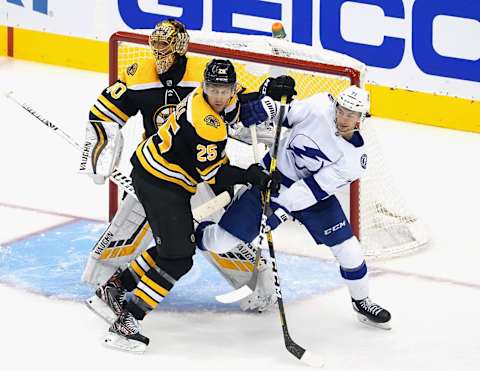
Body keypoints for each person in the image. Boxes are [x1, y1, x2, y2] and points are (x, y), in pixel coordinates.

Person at [80, 19, 279, 314]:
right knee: (137, 227)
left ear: (181, 47)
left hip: (195, 169)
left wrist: (265, 100)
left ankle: (255, 285)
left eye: (166, 45)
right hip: (161, 168)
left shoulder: (205, 77)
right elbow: (104, 113)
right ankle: (106, 280)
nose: (159, 53)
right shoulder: (140, 75)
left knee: (215, 234)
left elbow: (241, 104)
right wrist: (99, 155)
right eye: (155, 45)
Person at [196, 79, 392, 330]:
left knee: (350, 249)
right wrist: (264, 107)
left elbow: (311, 190)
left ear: (361, 118)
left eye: (351, 114)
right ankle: (191, 233)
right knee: (220, 242)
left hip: (310, 197)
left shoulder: (354, 159)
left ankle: (362, 302)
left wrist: (279, 209)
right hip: (270, 177)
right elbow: (285, 114)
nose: (343, 117)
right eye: (342, 110)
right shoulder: (321, 106)